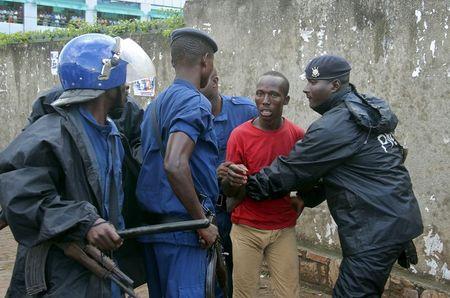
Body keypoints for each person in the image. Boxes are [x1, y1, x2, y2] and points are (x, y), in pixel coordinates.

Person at [228, 55, 423, 297]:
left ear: (334, 86)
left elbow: (291, 170)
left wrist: (245, 187)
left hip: (375, 229)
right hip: (393, 218)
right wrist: (307, 197)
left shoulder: (335, 125)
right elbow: (338, 169)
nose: (306, 89)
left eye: (313, 82)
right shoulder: (366, 107)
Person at [0, 33, 154, 297]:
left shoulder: (113, 135)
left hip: (103, 273)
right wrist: (86, 221)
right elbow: (22, 197)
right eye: (123, 82)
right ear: (105, 79)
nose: (127, 89)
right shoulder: (50, 133)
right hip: (61, 279)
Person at [136, 28, 220, 297]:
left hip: (157, 230)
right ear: (205, 61)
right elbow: (174, 163)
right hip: (184, 232)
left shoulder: (157, 103)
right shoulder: (194, 102)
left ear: (174, 61)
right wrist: (201, 223)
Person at [221, 71, 305, 298]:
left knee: (289, 293)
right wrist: (231, 180)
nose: (265, 100)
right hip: (246, 228)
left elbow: (308, 172)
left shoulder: (296, 134)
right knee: (244, 294)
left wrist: (303, 197)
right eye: (260, 94)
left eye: (274, 95)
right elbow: (229, 192)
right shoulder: (239, 135)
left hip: (282, 229)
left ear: (286, 100)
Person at [200, 68, 258, 296]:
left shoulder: (244, 111)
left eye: (199, 84)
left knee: (233, 272)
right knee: (207, 275)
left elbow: (264, 147)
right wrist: (213, 173)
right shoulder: (186, 113)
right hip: (202, 210)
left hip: (237, 210)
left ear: (215, 82)